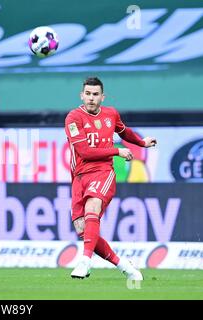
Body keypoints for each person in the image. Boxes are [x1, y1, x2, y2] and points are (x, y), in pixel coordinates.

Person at [64, 77, 156, 280]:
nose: (91, 98)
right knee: (82, 228)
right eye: (87, 94)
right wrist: (117, 151)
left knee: (93, 207)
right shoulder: (73, 118)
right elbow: (84, 152)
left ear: (102, 97)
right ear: (82, 95)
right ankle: (126, 267)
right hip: (79, 176)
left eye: (95, 94)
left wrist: (141, 142)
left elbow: (124, 132)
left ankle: (84, 261)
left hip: (102, 172)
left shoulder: (111, 114)